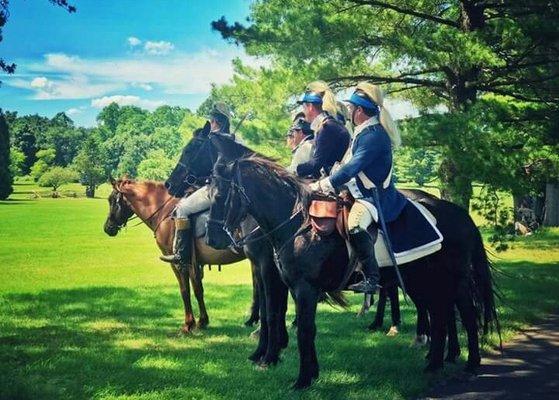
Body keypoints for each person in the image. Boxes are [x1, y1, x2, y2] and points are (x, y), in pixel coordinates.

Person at [310, 82, 406, 294]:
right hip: (357, 192)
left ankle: (372, 278)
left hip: (373, 197)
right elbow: (346, 164)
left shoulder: (374, 135)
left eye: (352, 108)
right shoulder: (363, 132)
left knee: (354, 224)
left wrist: (324, 183)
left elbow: (354, 167)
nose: (350, 111)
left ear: (360, 111)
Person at [160, 102, 233, 266]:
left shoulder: (212, 142)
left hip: (215, 189)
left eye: (213, 120)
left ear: (218, 122)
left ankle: (181, 254)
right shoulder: (233, 140)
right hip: (231, 188)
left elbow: (213, 172)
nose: (211, 122)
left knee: (182, 208)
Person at [296, 82, 351, 179]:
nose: (303, 112)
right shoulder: (328, 125)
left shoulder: (327, 127)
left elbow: (316, 164)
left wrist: (294, 170)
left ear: (310, 107)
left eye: (303, 107)